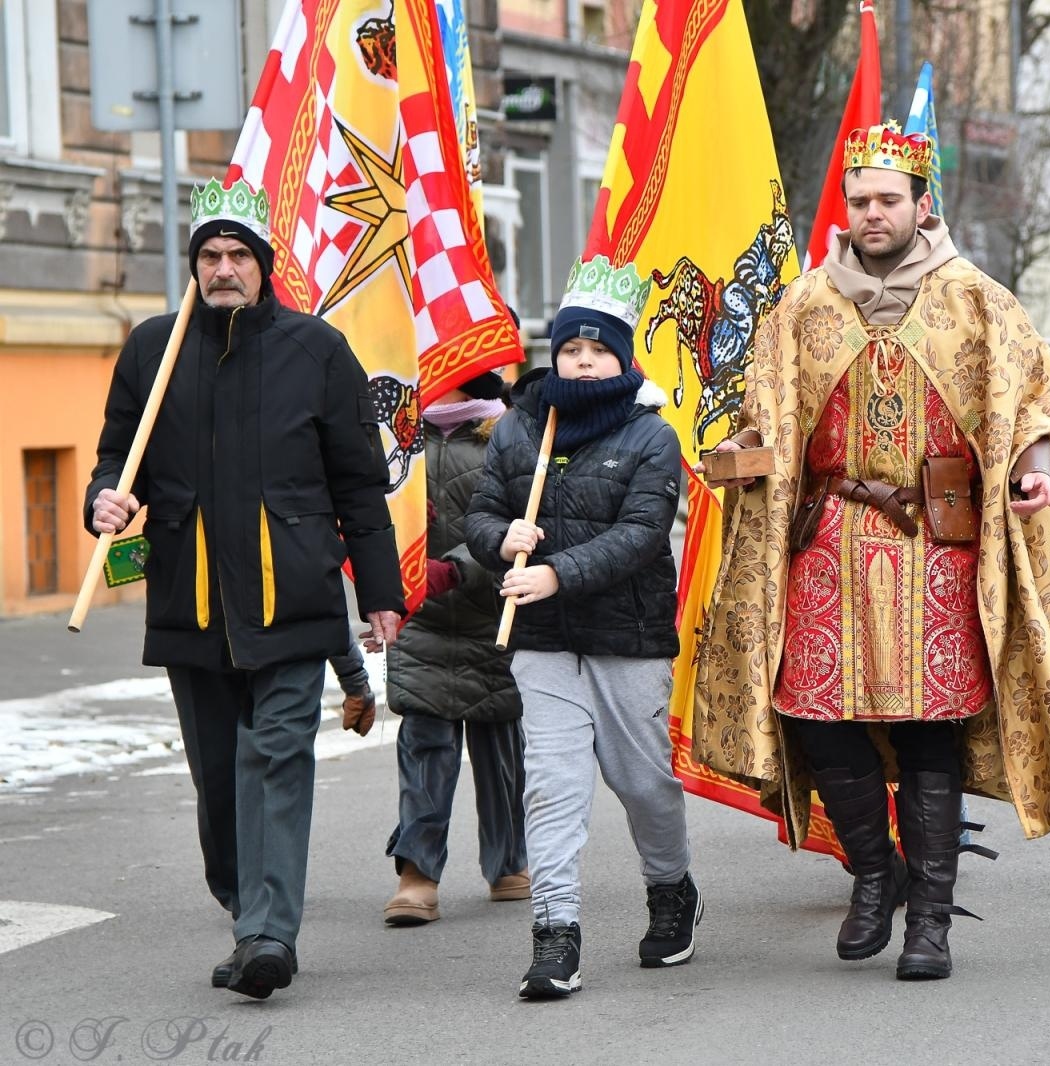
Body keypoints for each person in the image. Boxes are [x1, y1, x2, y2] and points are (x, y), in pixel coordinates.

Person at [695, 122, 1050, 982]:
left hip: (934, 541)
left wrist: (1032, 467)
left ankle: (934, 924)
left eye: (888, 200)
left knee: (929, 734)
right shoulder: (804, 305)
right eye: (860, 200)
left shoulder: (976, 300)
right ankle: (877, 873)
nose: (872, 214)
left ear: (923, 204)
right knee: (812, 713)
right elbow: (766, 414)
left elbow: (1029, 403)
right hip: (830, 538)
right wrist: (737, 452)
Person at [84, 178, 403, 999]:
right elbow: (118, 454)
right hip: (190, 603)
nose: (223, 270)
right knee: (221, 781)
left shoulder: (318, 351)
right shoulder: (152, 349)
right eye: (209, 257)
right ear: (194, 266)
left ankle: (268, 934)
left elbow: (360, 487)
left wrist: (379, 593)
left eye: (238, 257)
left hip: (289, 599)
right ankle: (242, 902)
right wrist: (107, 499)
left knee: (279, 760)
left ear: (264, 266)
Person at [464, 255, 696, 1000]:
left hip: (627, 637)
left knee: (641, 782)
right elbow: (479, 510)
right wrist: (499, 538)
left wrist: (558, 571)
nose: (585, 361)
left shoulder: (652, 436)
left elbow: (640, 532)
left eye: (599, 349)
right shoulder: (520, 429)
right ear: (554, 354)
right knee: (554, 786)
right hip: (543, 639)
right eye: (572, 349)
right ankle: (555, 932)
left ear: (622, 357)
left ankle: (670, 890)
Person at [381, 369, 530, 926]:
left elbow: (522, 518)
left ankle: (509, 861)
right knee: (423, 745)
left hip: (494, 614)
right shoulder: (395, 440)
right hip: (418, 619)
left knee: (500, 748)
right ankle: (417, 872)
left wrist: (461, 567)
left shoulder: (506, 436)